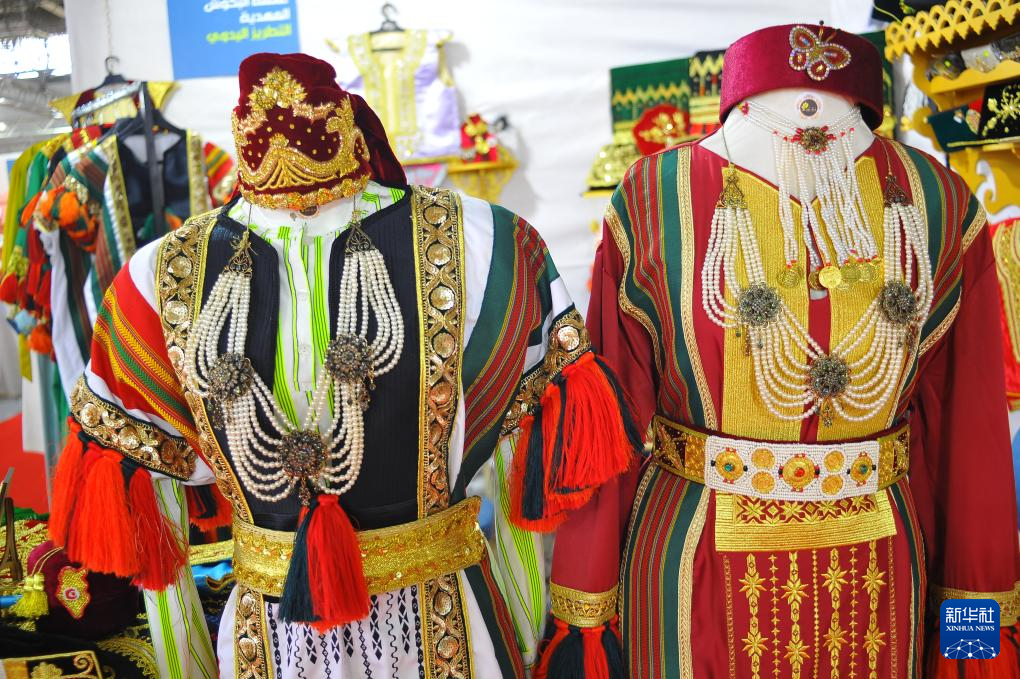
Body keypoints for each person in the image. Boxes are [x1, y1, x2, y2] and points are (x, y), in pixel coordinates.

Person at [48, 52, 639, 678]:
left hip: (447, 620)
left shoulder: (485, 241)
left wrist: (528, 639)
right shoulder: (159, 276)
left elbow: (524, 467)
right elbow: (153, 523)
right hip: (271, 640)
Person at [541, 24, 1020, 678]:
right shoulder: (653, 195)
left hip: (879, 583)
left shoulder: (939, 203)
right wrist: (586, 614)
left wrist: (974, 637)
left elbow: (970, 438)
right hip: (693, 573)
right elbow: (609, 425)